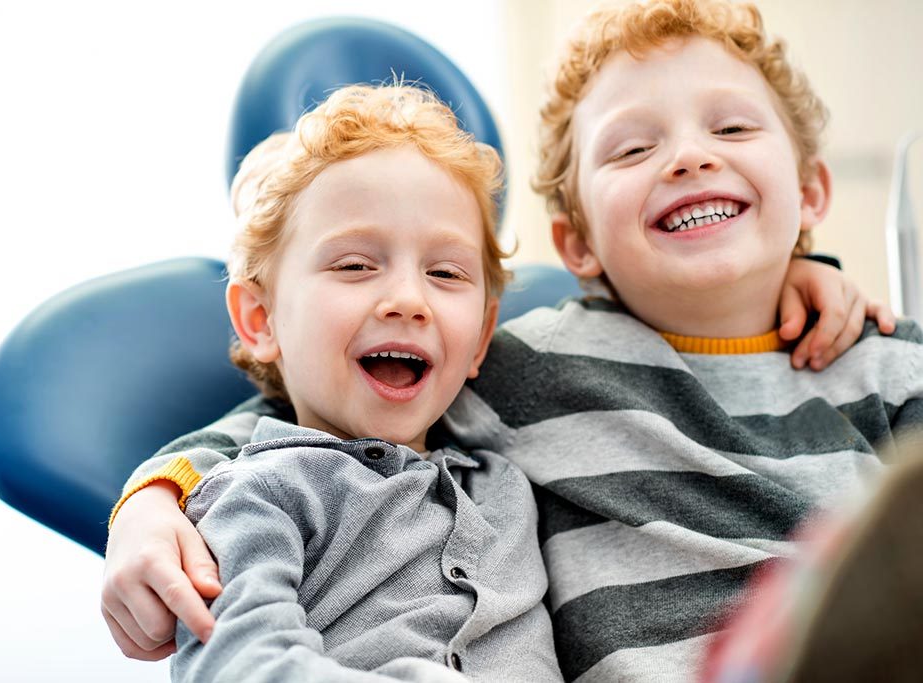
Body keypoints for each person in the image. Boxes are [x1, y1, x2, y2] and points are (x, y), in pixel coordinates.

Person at [101, 1, 911, 680]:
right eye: (633, 147)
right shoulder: (532, 366)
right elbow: (304, 421)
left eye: (731, 129)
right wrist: (156, 494)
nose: (691, 157)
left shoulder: (890, 361)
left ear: (810, 191)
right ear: (577, 243)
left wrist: (812, 268)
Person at [152, 83, 562, 682]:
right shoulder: (260, 493)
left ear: (479, 338)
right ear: (262, 320)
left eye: (445, 272)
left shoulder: (508, 483)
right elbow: (237, 663)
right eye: (355, 266)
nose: (407, 300)